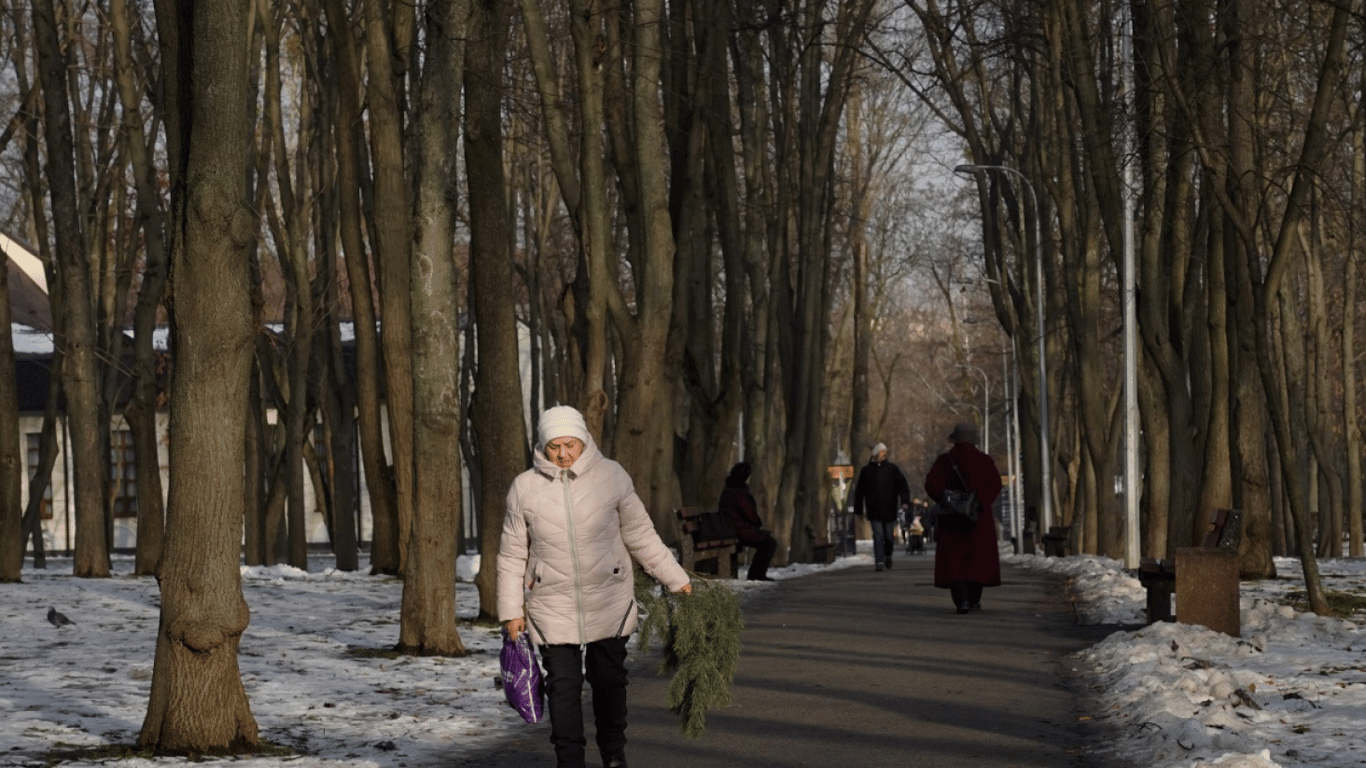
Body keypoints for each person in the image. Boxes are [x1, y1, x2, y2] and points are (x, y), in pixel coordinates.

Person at [498, 405, 692, 768]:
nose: (563, 453)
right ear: (542, 447)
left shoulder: (612, 477)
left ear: (584, 440)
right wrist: (511, 612)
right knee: (563, 687)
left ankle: (613, 752)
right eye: (554, 446)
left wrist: (675, 578)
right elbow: (511, 554)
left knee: (608, 682)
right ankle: (569, 759)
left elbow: (640, 534)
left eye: (570, 444)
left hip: (608, 598)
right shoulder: (524, 488)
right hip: (550, 604)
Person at [924, 421, 1003, 613]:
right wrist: (979, 501)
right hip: (978, 518)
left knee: (955, 561)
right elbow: (995, 485)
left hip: (952, 519)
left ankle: (962, 601)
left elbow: (932, 485)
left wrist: (947, 498)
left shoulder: (945, 461)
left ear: (955, 439)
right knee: (978, 560)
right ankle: (974, 599)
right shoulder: (985, 461)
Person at [852, 442, 911, 571]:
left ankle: (888, 554)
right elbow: (860, 491)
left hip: (890, 509)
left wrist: (905, 501)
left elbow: (902, 486)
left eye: (885, 452)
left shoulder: (892, 469)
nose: (884, 455)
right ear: (875, 454)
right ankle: (879, 561)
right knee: (878, 535)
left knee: (889, 536)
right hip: (874, 509)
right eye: (881, 452)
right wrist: (858, 509)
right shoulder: (866, 471)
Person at [716, 462, 777, 581]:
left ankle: (756, 574)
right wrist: (757, 524)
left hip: (729, 529)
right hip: (737, 531)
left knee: (766, 540)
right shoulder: (740, 493)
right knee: (769, 542)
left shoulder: (728, 490)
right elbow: (751, 516)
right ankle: (757, 574)